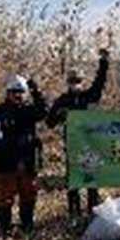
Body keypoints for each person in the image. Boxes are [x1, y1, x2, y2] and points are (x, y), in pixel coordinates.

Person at [47, 48, 110, 222]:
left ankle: (93, 215)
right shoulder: (61, 101)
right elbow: (49, 123)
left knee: (91, 184)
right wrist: (59, 114)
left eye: (78, 80)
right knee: (73, 184)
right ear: (67, 82)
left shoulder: (89, 96)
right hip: (72, 147)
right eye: (72, 81)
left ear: (83, 81)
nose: (75, 83)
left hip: (90, 146)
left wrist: (104, 61)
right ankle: (74, 216)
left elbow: (100, 81)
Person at [0, 74, 47, 239]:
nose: (18, 95)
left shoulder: (30, 110)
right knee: (4, 199)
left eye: (21, 92)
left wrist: (35, 91)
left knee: (28, 197)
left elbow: (43, 111)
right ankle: (5, 230)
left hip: (27, 162)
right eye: (14, 91)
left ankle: (27, 228)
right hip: (5, 162)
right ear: (8, 93)